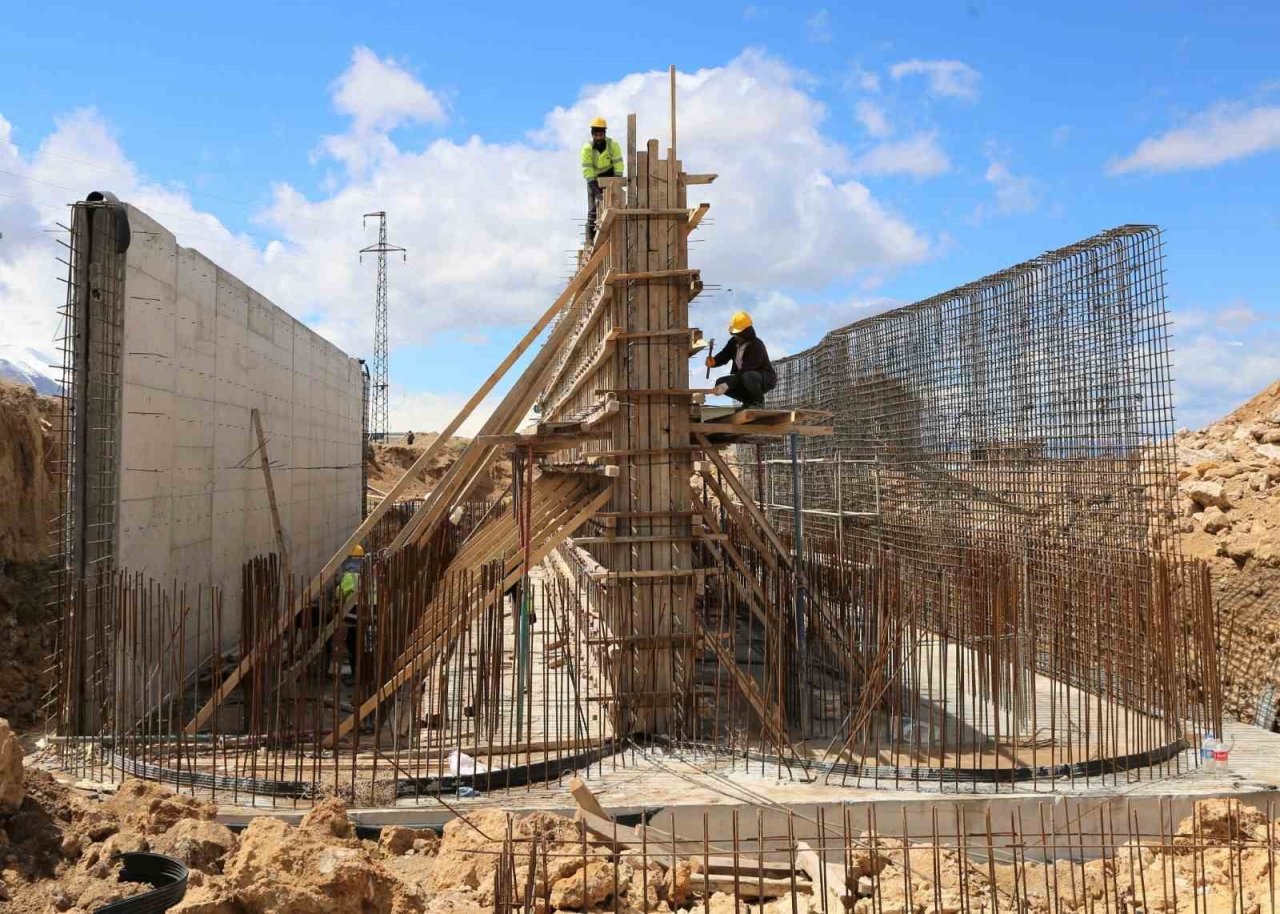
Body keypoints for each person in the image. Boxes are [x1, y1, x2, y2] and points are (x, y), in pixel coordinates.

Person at [705, 311, 776, 409]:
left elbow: (746, 371)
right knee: (720, 382)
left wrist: (727, 385)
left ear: (746, 332)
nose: (735, 336)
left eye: (737, 333)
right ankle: (748, 402)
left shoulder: (756, 345)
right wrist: (714, 361)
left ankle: (758, 402)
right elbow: (724, 355)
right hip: (743, 377)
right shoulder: (733, 342)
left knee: (748, 376)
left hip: (762, 379)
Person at [581, 117, 624, 244]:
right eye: (596, 135)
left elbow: (618, 164)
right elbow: (587, 171)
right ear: (592, 135)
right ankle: (590, 239)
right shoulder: (587, 149)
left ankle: (615, 231)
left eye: (601, 134)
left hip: (610, 176)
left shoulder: (613, 145)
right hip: (594, 179)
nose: (598, 137)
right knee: (593, 209)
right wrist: (596, 191)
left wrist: (617, 181)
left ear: (604, 134)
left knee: (614, 203)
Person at [339, 544, 366, 678]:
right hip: (371, 617)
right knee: (365, 648)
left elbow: (340, 594)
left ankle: (356, 675)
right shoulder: (369, 572)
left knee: (352, 646)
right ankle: (366, 673)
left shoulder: (350, 576)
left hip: (355, 619)